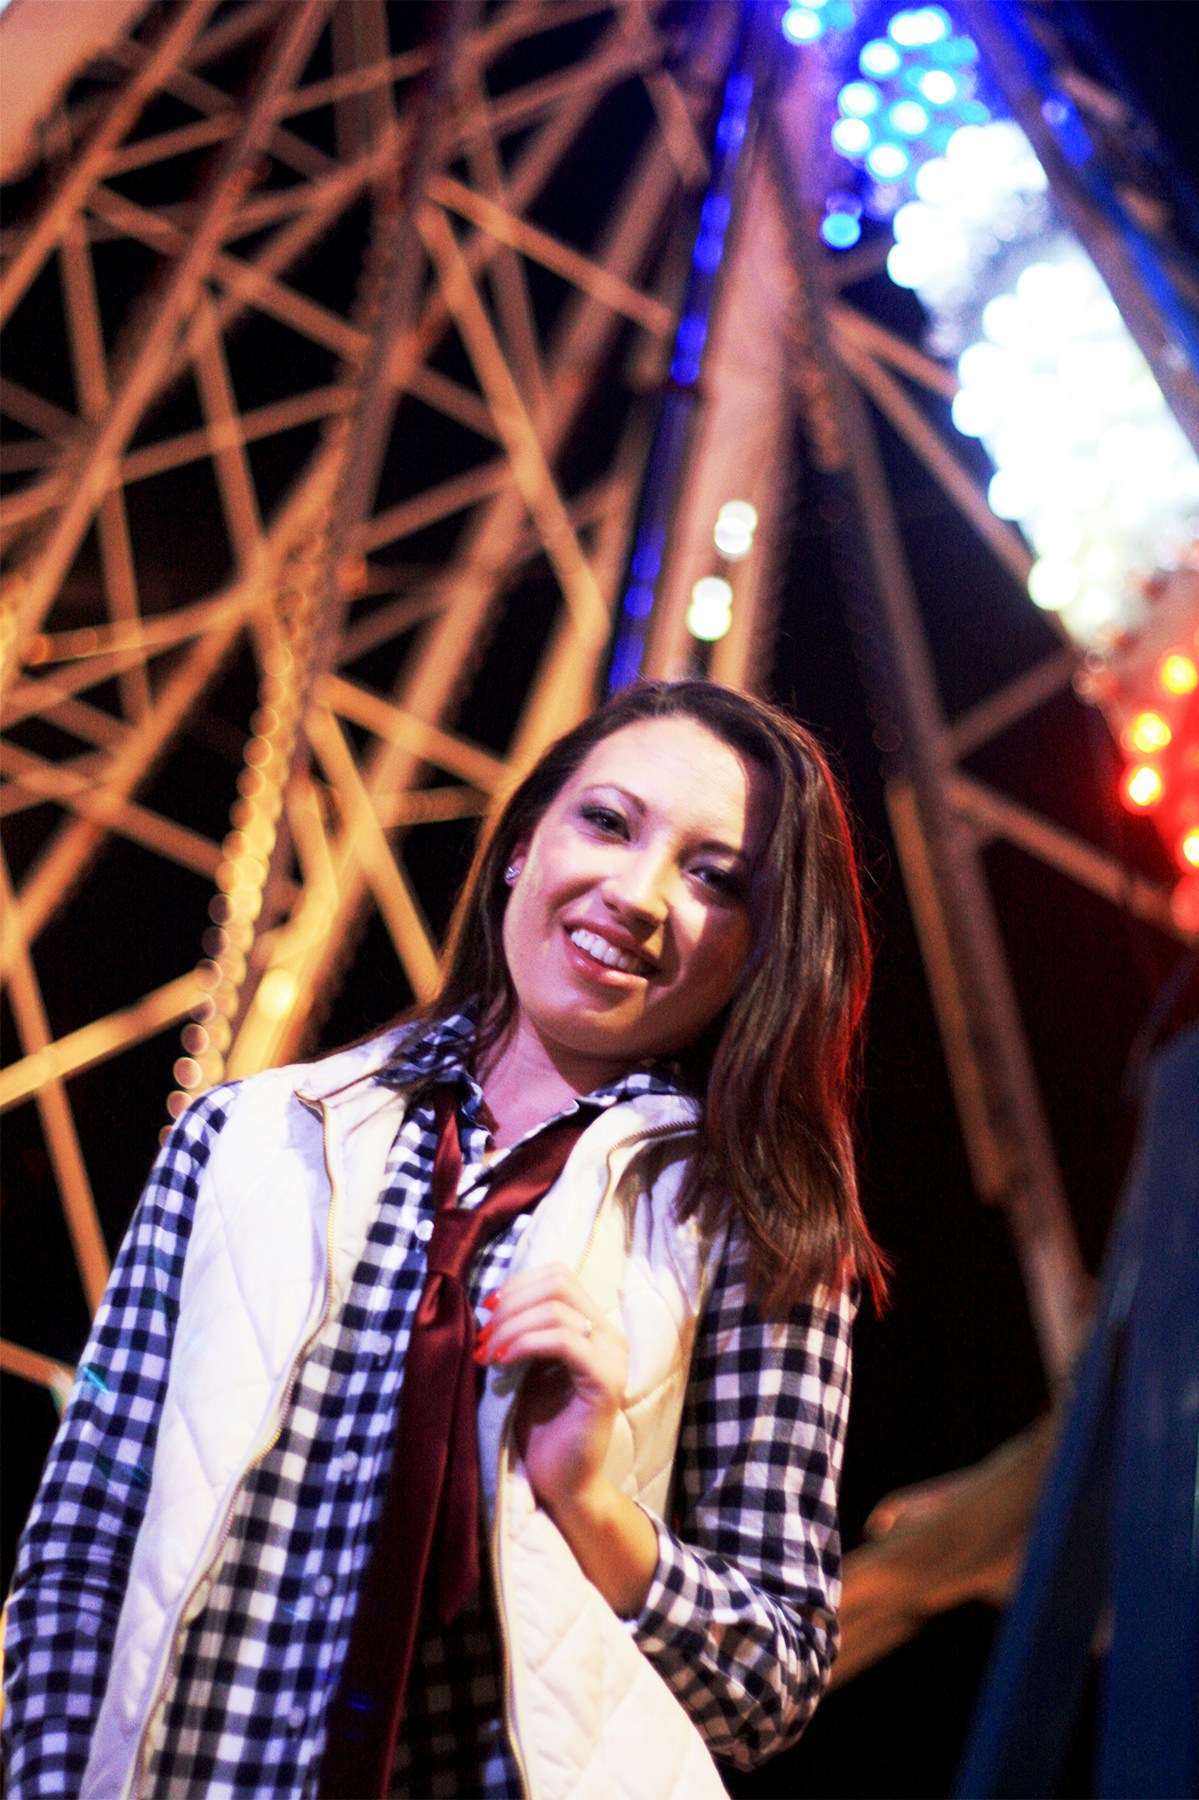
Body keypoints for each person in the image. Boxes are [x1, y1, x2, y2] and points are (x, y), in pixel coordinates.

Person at [3, 678, 887, 1800]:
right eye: (605, 822)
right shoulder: (244, 1139)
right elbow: (85, 1543)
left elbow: (770, 1688)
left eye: (715, 877)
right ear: (520, 846)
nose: (637, 893)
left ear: (760, 947)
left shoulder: (755, 1227)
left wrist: (593, 1506)